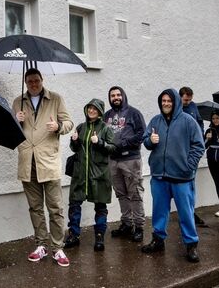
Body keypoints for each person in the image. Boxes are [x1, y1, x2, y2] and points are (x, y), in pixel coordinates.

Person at [14, 68, 74, 267]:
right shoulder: (18, 102)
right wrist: (17, 121)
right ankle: (41, 245)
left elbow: (69, 123)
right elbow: (11, 132)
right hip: (27, 160)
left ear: (42, 80)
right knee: (35, 208)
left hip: (48, 161)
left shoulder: (55, 99)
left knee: (55, 208)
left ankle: (57, 248)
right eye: (30, 81)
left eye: (36, 80)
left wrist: (58, 126)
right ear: (25, 82)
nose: (33, 84)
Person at [140, 89, 204, 263]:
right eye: (163, 101)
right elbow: (145, 141)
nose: (166, 104)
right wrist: (149, 141)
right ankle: (158, 240)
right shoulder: (155, 121)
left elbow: (199, 146)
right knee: (159, 211)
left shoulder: (188, 121)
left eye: (169, 101)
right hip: (159, 176)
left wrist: (188, 167)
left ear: (175, 102)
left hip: (182, 178)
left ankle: (191, 245)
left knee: (186, 213)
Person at [63, 99, 117, 252]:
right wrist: (73, 141)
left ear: (100, 111)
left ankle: (99, 236)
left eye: (95, 109)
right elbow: (75, 149)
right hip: (80, 174)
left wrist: (99, 142)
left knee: (100, 206)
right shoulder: (81, 127)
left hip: (99, 174)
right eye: (90, 108)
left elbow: (113, 148)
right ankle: (74, 234)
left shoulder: (105, 129)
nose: (91, 111)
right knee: (74, 205)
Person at [105, 86, 146, 242]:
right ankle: (127, 224)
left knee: (135, 193)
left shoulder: (133, 113)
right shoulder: (107, 116)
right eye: (112, 95)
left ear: (123, 96)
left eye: (118, 95)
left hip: (130, 160)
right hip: (113, 161)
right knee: (121, 194)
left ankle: (139, 226)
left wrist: (122, 143)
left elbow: (142, 134)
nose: (115, 97)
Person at [178, 87, 209, 226]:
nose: (188, 102)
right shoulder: (175, 108)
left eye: (190, 99)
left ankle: (190, 212)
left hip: (192, 151)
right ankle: (185, 213)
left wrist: (200, 139)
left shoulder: (193, 106)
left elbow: (199, 122)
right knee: (181, 184)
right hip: (180, 151)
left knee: (190, 183)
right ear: (180, 97)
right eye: (185, 100)